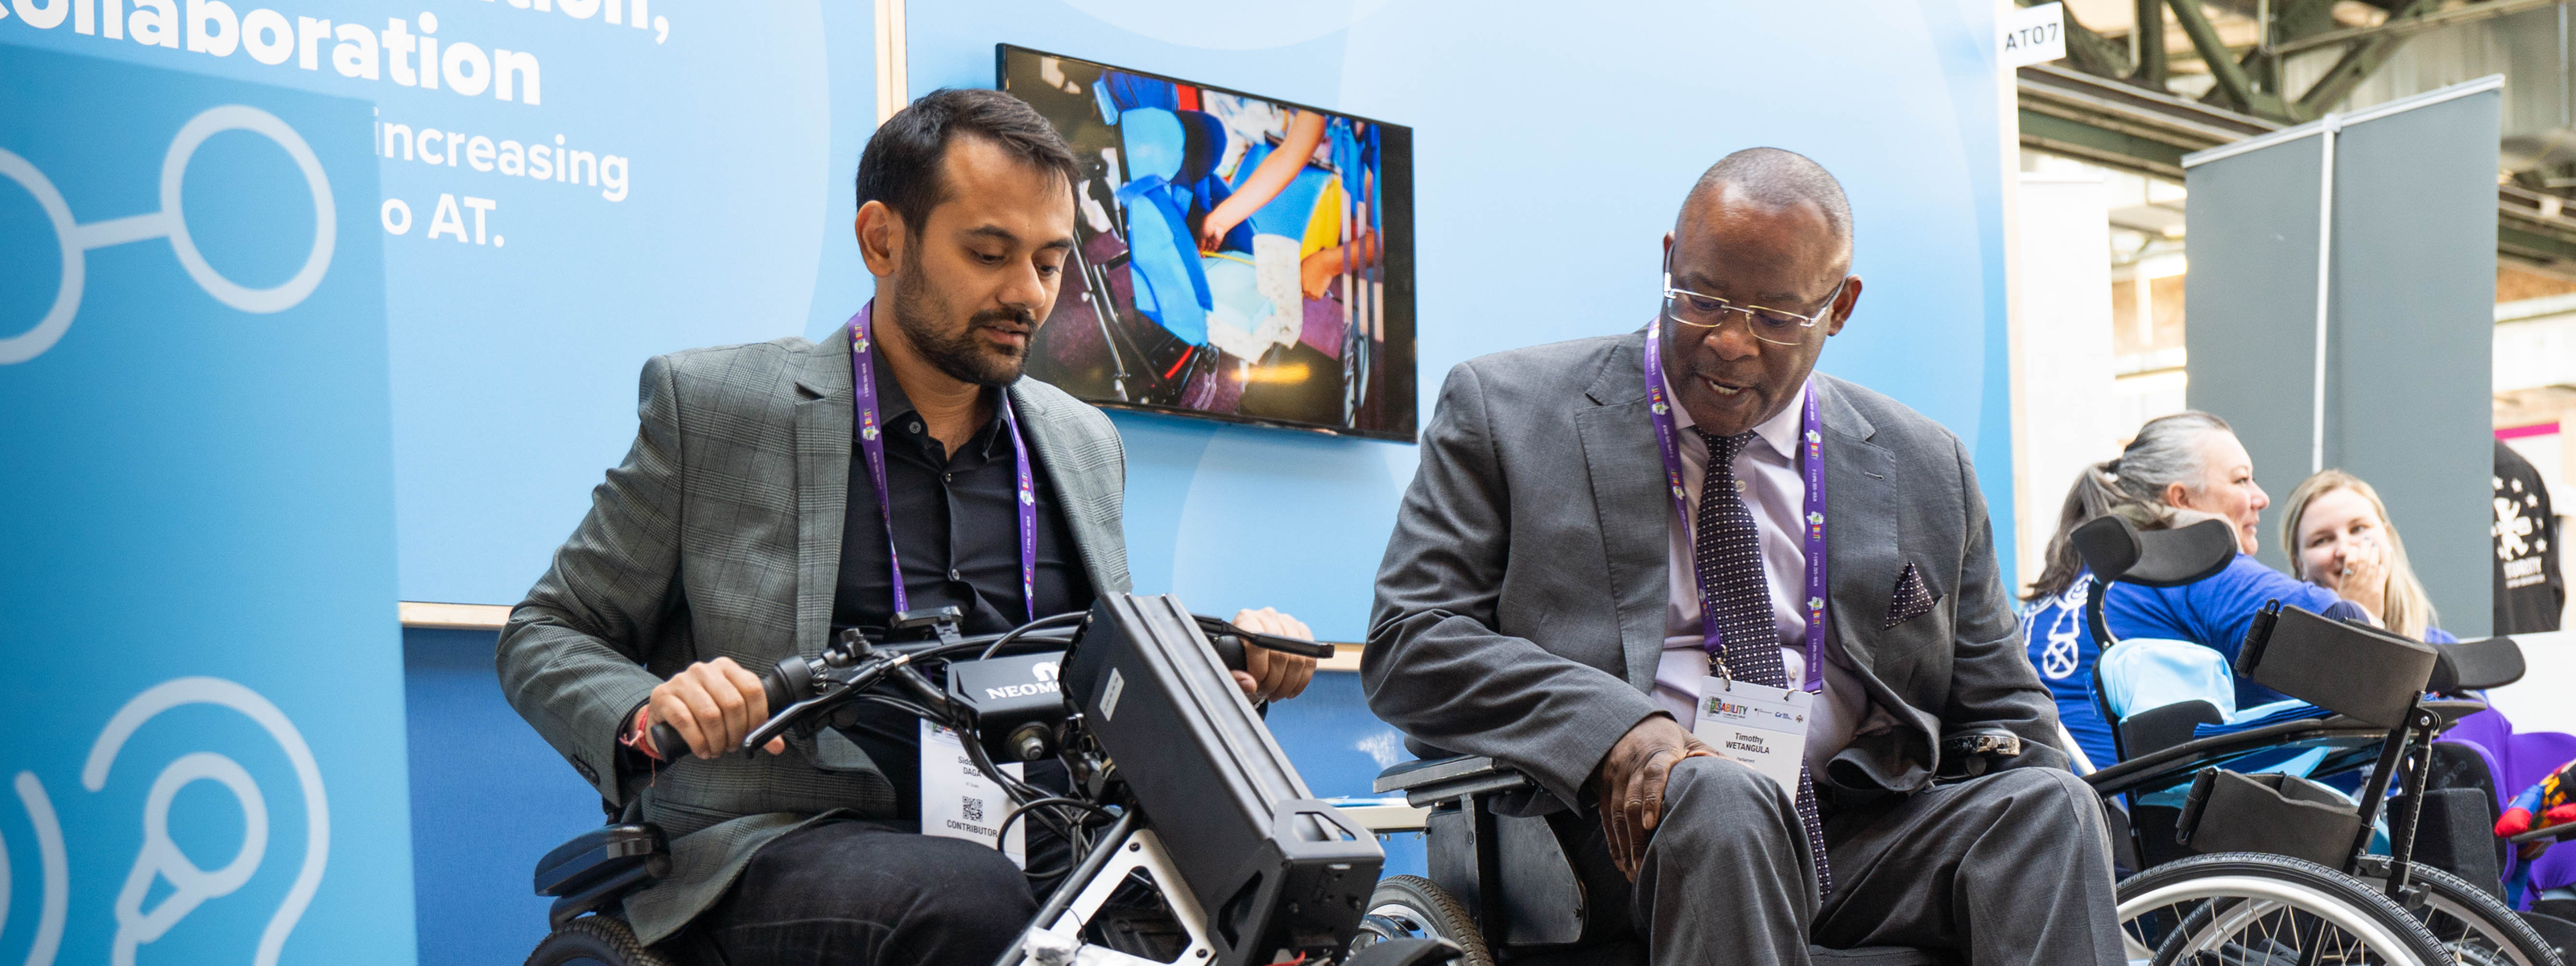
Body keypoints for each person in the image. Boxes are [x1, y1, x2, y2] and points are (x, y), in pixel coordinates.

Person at [496, 88, 1318, 966]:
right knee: (967, 900)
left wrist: (1228, 672)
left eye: (1048, 261)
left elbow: (1100, 678)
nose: (1027, 295)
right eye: (988, 254)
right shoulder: (715, 409)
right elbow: (545, 634)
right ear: (881, 239)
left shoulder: (1082, 443)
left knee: (1282, 893)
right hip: (785, 836)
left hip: (1045, 835)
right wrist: (649, 705)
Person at [1366, 147, 2120, 966]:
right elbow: (1411, 641)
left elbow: (2005, 711)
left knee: (2047, 808)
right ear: (1666, 261)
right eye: (1700, 299)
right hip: (1625, 839)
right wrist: (1617, 728)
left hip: (1854, 830)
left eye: (1775, 317)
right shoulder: (1507, 413)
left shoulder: (1922, 463)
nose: (1727, 342)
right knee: (1724, 798)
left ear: (1839, 309)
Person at [2017, 412, 2356, 761]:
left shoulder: (2057, 588)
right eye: (2241, 481)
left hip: (2047, 802)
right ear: (2182, 499)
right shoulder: (2182, 565)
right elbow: (2342, 629)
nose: (2261, 497)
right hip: (2125, 810)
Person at [2280, 469, 2456, 643]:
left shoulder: (2444, 649)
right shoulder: (2284, 647)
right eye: (2322, 540)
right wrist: (2357, 615)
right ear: (2299, 564)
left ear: (2387, 536)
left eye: (2358, 529)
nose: (2344, 550)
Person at [2496, 440, 2565, 634]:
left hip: (2488, 653)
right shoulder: (2521, 469)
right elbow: (2555, 586)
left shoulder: (2451, 474)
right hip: (2537, 646)